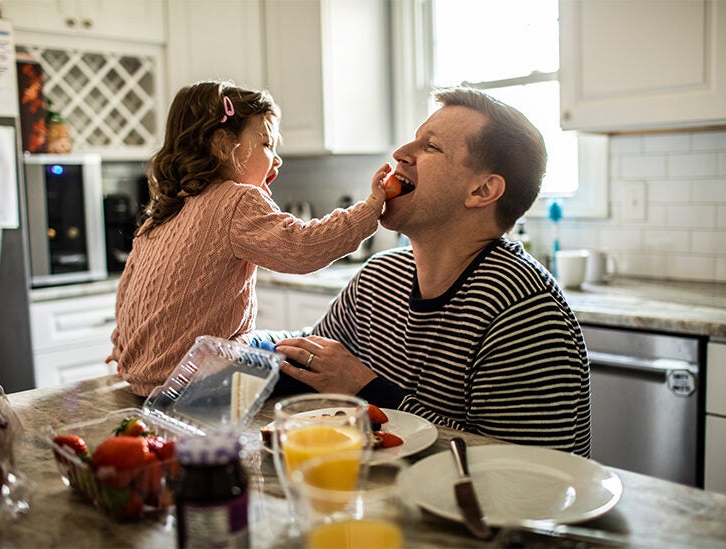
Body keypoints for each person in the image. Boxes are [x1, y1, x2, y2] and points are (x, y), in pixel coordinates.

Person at [257, 87, 592, 457]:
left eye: (430, 147)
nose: (401, 153)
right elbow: (313, 358)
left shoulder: (523, 312)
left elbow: (518, 470)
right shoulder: (380, 277)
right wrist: (228, 344)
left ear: (482, 190)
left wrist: (366, 388)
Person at [109, 81, 387, 397]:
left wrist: (124, 346)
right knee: (317, 364)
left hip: (145, 380)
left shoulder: (161, 212)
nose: (277, 159)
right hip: (203, 377)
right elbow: (301, 248)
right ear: (224, 145)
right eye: (267, 144)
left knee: (286, 341)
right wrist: (370, 210)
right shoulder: (237, 201)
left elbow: (127, 294)